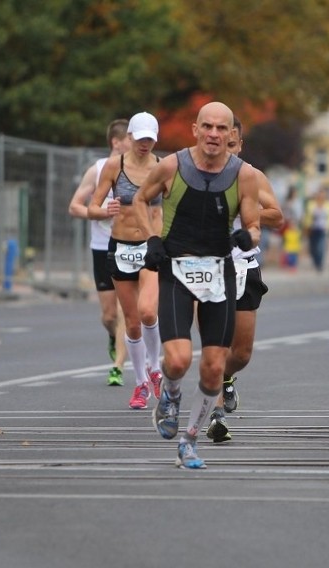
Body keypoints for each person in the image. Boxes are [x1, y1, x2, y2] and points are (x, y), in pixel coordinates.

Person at [132, 101, 261, 469]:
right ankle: (170, 396)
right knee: (176, 359)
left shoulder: (244, 175)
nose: (214, 135)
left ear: (231, 134)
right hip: (176, 268)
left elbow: (254, 224)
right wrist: (151, 240)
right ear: (195, 129)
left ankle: (189, 441)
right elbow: (141, 200)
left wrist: (246, 237)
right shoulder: (172, 165)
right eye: (208, 127)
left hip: (220, 272)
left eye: (222, 129)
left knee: (213, 367)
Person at [205, 116, 284, 444]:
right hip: (208, 268)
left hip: (244, 267)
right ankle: (216, 415)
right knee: (216, 344)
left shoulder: (252, 176)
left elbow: (277, 216)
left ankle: (226, 379)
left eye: (233, 143)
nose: (227, 149)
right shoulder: (198, 175)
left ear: (238, 143)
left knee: (242, 352)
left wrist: (244, 211)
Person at [87, 112, 164, 410]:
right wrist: (105, 210)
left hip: (150, 247)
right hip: (120, 247)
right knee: (131, 323)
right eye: (140, 138)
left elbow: (173, 207)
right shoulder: (113, 166)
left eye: (150, 139)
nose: (145, 144)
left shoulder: (163, 167)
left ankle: (155, 367)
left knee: (147, 312)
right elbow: (92, 206)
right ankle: (141, 383)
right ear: (129, 137)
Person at [67, 119, 130, 386]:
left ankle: (117, 367)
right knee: (109, 316)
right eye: (129, 137)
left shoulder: (138, 169)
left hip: (128, 246)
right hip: (101, 247)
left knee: (125, 311)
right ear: (116, 142)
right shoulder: (98, 169)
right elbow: (74, 206)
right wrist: (101, 212)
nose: (136, 142)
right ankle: (112, 336)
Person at [302, 186, 329, 273]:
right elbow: (307, 216)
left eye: (323, 195)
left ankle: (319, 263)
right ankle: (315, 261)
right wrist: (306, 226)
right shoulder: (311, 204)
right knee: (313, 247)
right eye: (319, 195)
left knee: (321, 247)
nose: (321, 196)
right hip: (312, 228)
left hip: (323, 229)